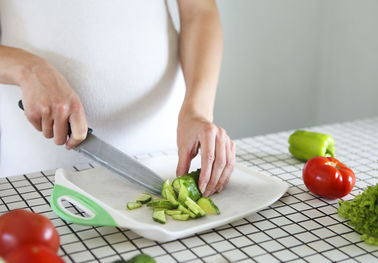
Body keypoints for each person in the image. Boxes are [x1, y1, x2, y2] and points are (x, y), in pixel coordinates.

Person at [0, 0, 235, 196]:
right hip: (36, 165)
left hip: (165, 154)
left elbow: (199, 11)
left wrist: (197, 111)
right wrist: (27, 68)